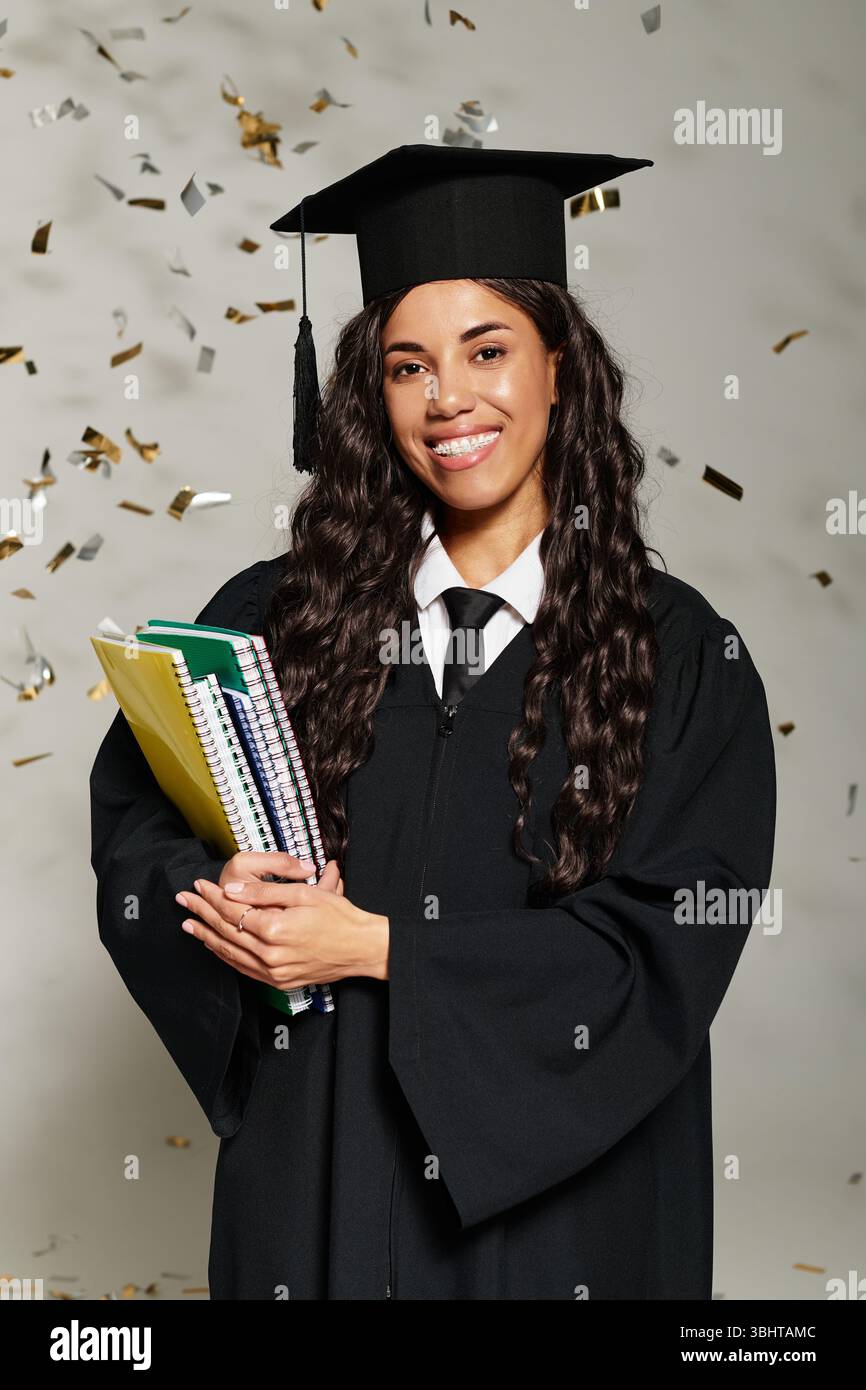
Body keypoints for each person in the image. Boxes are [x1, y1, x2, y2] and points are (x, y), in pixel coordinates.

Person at [89, 144, 777, 1300]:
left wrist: (377, 948)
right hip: (316, 1183)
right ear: (372, 394)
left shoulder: (673, 653)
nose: (447, 397)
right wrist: (219, 898)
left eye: (487, 351)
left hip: (559, 1229)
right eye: (407, 365)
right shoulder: (277, 618)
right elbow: (138, 830)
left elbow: (663, 944)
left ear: (561, 369)